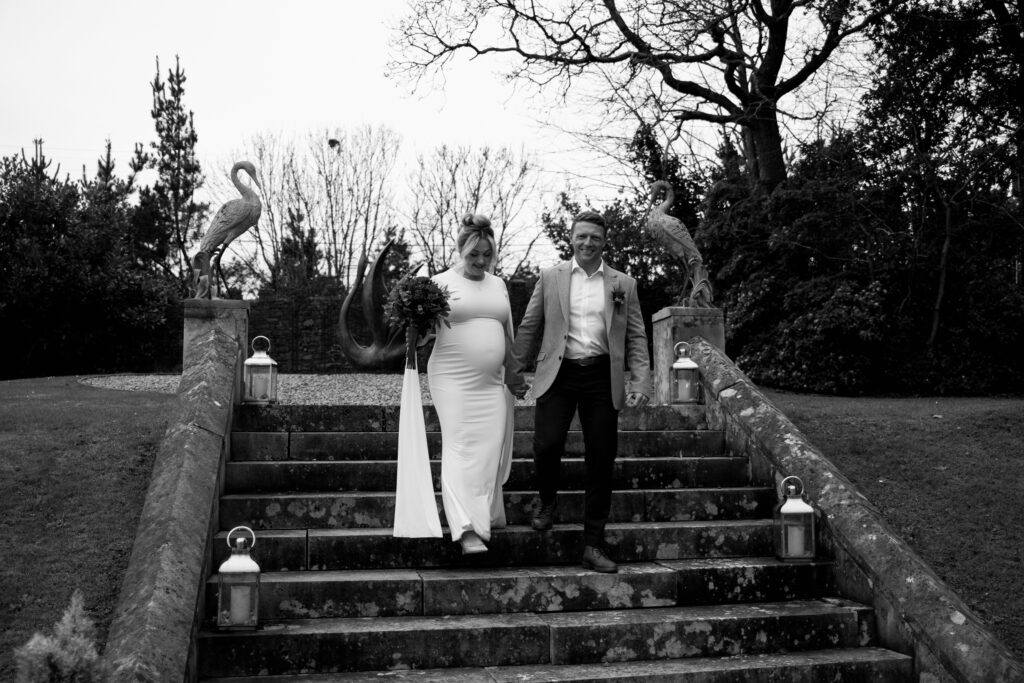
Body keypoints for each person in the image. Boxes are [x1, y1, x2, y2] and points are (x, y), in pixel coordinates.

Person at [507, 210, 652, 573]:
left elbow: (636, 336)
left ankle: (593, 543)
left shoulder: (623, 284)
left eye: (595, 238)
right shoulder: (550, 277)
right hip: (558, 373)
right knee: (547, 444)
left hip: (602, 377)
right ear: (571, 238)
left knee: (601, 458)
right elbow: (529, 326)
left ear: (605, 242)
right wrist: (514, 371)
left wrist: (641, 381)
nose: (588, 243)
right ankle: (545, 501)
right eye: (582, 236)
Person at [427, 213, 515, 555]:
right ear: (460, 250)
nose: (480, 261)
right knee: (461, 446)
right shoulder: (438, 282)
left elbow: (507, 332)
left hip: (493, 382)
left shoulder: (499, 285)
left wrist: (514, 372)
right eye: (473, 254)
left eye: (486, 255)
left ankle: (485, 514)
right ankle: (465, 529)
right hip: (452, 379)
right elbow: (420, 333)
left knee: (489, 448)